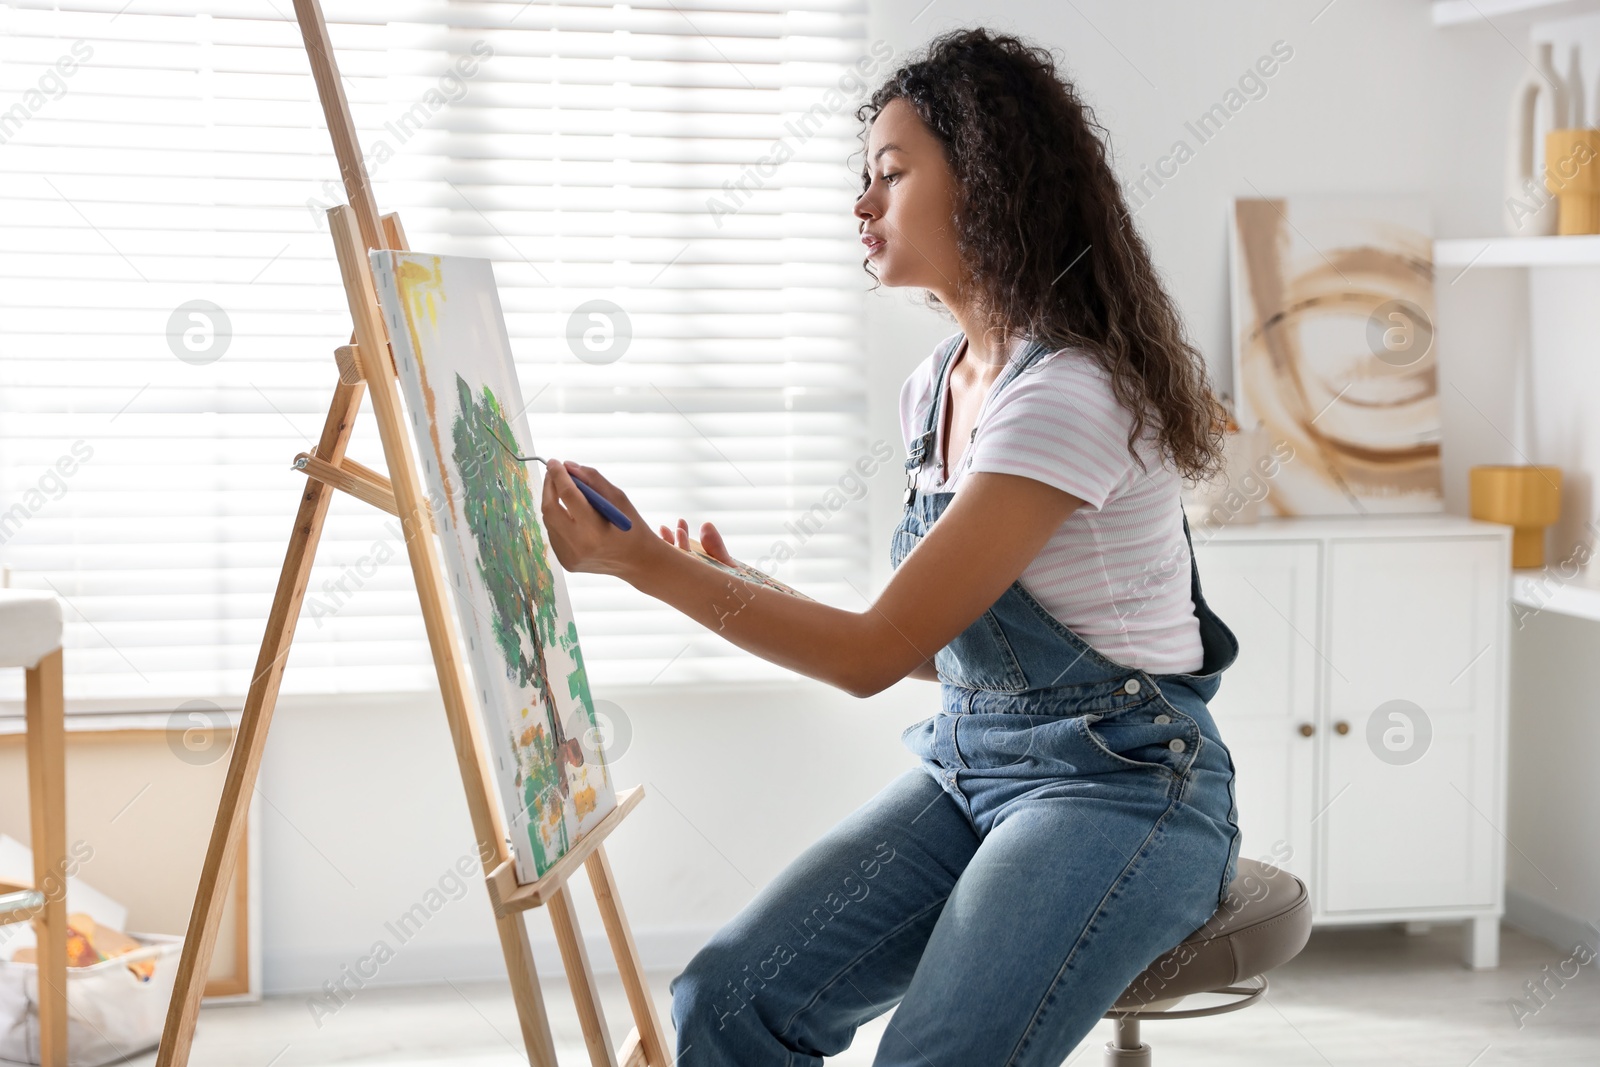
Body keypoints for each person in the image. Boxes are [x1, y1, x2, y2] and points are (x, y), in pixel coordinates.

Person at [540, 26, 1243, 1067]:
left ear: (987, 183)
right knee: (726, 998)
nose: (861, 203)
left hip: (1119, 784)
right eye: (861, 177)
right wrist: (738, 582)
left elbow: (871, 656)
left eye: (891, 172)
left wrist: (653, 566)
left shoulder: (1065, 394)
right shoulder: (938, 384)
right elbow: (931, 646)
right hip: (970, 767)